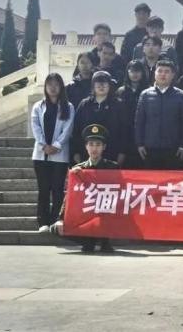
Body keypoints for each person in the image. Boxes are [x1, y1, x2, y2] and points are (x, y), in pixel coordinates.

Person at [50, 124, 117, 253]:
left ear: (104, 147)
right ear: (86, 146)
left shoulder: (112, 167)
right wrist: (60, 219)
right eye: (91, 144)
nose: (94, 148)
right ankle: (88, 241)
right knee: (55, 228)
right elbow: (69, 197)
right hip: (85, 215)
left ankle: (104, 241)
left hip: (105, 214)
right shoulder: (79, 169)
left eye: (98, 145)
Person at [31, 73, 74, 232]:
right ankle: (43, 221)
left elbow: (68, 129)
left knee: (57, 189)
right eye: (50, 84)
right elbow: (35, 127)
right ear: (45, 87)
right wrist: (43, 145)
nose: (53, 88)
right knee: (43, 189)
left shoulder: (68, 106)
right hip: (40, 155)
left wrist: (56, 145)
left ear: (61, 87)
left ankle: (56, 219)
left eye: (56, 84)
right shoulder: (38, 106)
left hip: (59, 155)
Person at [135, 60, 183, 170]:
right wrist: (139, 144)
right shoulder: (145, 95)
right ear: (154, 73)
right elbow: (139, 122)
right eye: (160, 71)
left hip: (173, 149)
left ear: (173, 75)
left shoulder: (180, 95)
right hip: (149, 148)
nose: (163, 74)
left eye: (167, 71)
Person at [72, 71, 126, 166]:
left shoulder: (118, 105)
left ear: (109, 85)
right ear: (93, 85)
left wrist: (122, 152)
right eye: (98, 83)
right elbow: (76, 129)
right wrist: (75, 151)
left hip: (111, 153)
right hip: (87, 152)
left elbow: (124, 130)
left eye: (104, 83)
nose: (101, 86)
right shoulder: (84, 104)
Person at [115, 60, 149, 169]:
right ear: (127, 72)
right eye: (132, 71)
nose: (135, 74)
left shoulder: (148, 91)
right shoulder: (121, 91)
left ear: (142, 73)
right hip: (124, 133)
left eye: (137, 71)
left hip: (143, 134)